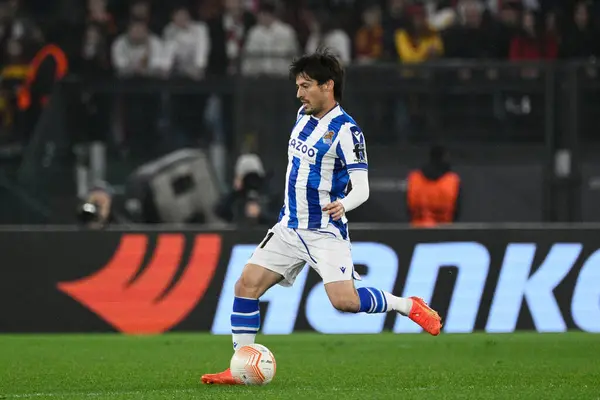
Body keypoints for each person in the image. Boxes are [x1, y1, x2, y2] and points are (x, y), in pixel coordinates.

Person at [201, 51, 442, 385]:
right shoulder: (303, 115)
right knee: (245, 285)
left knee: (345, 302)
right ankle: (240, 366)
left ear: (328, 86)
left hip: (324, 231)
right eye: (298, 86)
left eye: (306, 85)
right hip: (289, 227)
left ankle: (406, 305)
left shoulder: (347, 131)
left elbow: (363, 188)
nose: (299, 93)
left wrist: (345, 203)